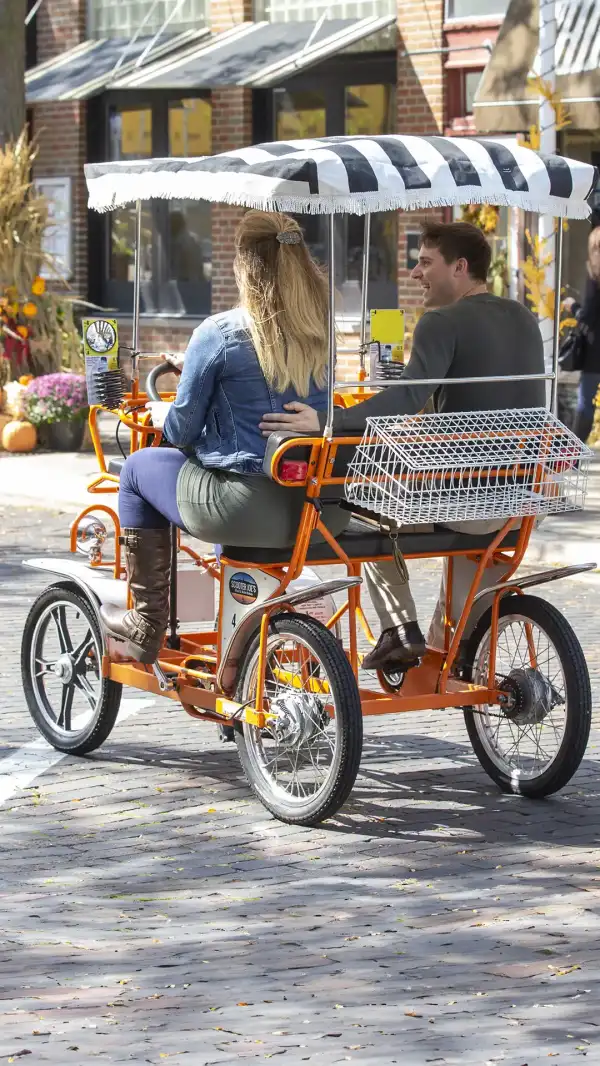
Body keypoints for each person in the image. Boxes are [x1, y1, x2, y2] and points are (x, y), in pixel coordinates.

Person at [260, 220, 546, 674]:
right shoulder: (524, 318)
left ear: (460, 267)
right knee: (471, 556)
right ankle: (455, 649)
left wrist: (326, 421)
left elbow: (406, 398)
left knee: (362, 506)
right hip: (519, 496)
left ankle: (398, 628)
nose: (416, 273)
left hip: (464, 498)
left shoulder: (441, 321)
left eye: (425, 262)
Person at [100, 210, 348, 664]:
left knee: (137, 469)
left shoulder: (218, 332)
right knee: (218, 475)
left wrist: (163, 409)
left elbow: (180, 430)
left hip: (245, 508)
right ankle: (246, 625)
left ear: (244, 265)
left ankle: (148, 621)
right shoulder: (320, 328)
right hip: (319, 514)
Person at [565, 227, 600, 443]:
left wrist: (572, 307)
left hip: (595, 351)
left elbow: (587, 316)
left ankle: (574, 453)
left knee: (585, 403)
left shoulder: (594, 277)